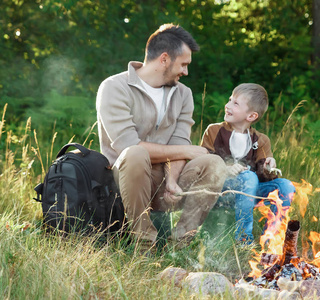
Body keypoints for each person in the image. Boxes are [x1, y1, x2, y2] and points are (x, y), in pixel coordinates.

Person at [96, 24, 227, 252]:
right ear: (164, 59)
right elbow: (129, 146)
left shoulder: (183, 94)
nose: (185, 72)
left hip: (163, 181)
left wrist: (172, 180)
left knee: (213, 163)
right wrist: (186, 152)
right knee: (135, 153)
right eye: (183, 64)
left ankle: (181, 243)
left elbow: (179, 143)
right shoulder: (114, 87)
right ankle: (144, 244)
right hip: (123, 181)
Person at [201, 83, 296, 244]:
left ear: (251, 116)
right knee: (249, 177)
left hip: (249, 194)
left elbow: (263, 176)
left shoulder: (261, 140)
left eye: (235, 103)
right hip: (221, 191)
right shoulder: (214, 131)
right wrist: (226, 169)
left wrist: (268, 166)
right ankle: (243, 239)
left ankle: (271, 240)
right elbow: (203, 162)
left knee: (286, 186)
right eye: (230, 100)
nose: (227, 105)